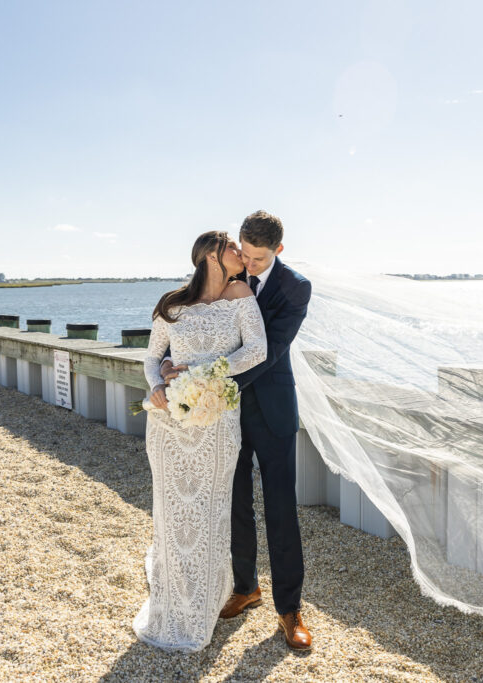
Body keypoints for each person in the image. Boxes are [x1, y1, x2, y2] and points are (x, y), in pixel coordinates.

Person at [161, 210, 313, 649]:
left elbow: (269, 352)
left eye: (259, 258)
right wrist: (174, 368)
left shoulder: (295, 288)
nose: (248, 264)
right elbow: (194, 325)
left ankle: (290, 610)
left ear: (278, 251)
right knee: (235, 502)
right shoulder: (227, 278)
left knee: (281, 509)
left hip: (271, 409)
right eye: (244, 254)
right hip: (223, 414)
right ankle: (246, 587)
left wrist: (205, 382)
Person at [133, 231, 267, 652]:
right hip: (170, 424)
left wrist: (200, 371)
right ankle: (171, 603)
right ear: (212, 253)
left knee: (210, 511)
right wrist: (157, 386)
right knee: (173, 513)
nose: (240, 254)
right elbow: (152, 358)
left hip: (217, 421)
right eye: (232, 247)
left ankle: (203, 605)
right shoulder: (172, 304)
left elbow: (257, 350)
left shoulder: (240, 292)